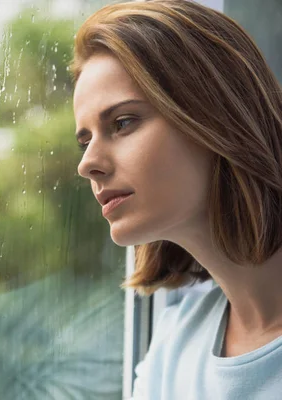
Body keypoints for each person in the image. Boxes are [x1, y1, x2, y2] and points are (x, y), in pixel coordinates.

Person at [70, 0, 282, 399]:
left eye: (123, 122)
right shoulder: (173, 347)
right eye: (85, 140)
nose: (87, 164)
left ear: (215, 115)